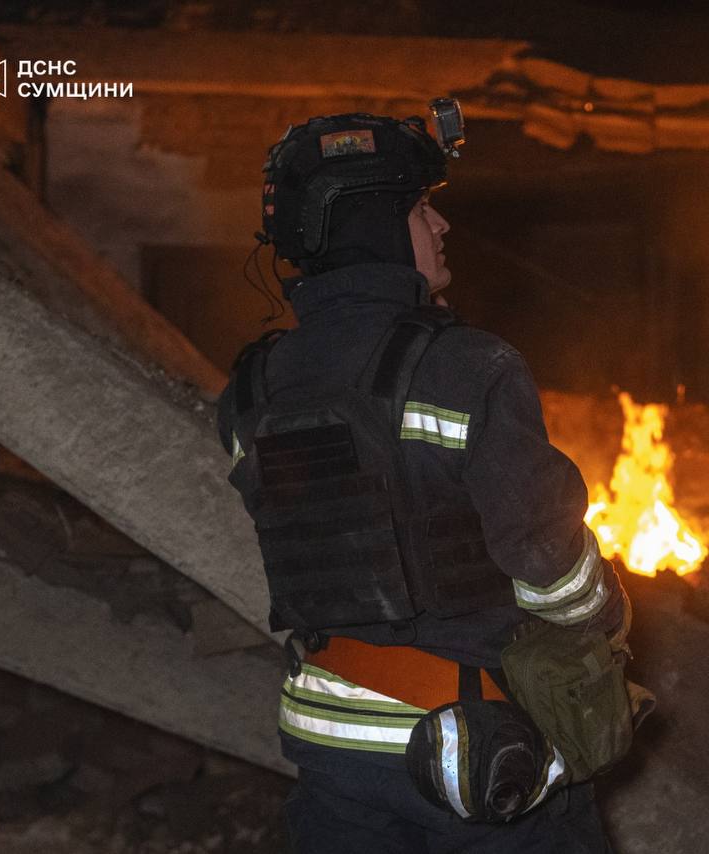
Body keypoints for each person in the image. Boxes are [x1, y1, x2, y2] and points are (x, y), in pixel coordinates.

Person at [216, 108, 630, 853]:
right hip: (475, 742)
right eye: (418, 208)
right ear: (373, 224)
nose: (441, 226)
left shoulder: (251, 389)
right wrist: (605, 614)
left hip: (329, 742)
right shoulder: (467, 366)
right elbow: (547, 561)